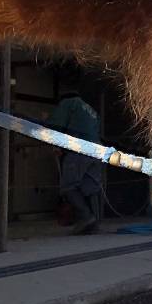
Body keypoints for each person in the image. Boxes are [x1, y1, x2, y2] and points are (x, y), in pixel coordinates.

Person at [46, 86, 103, 235]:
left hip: (78, 149)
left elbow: (55, 125)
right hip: (96, 151)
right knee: (91, 188)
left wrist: (55, 145)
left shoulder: (68, 103)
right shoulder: (90, 109)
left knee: (68, 187)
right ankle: (95, 223)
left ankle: (86, 218)